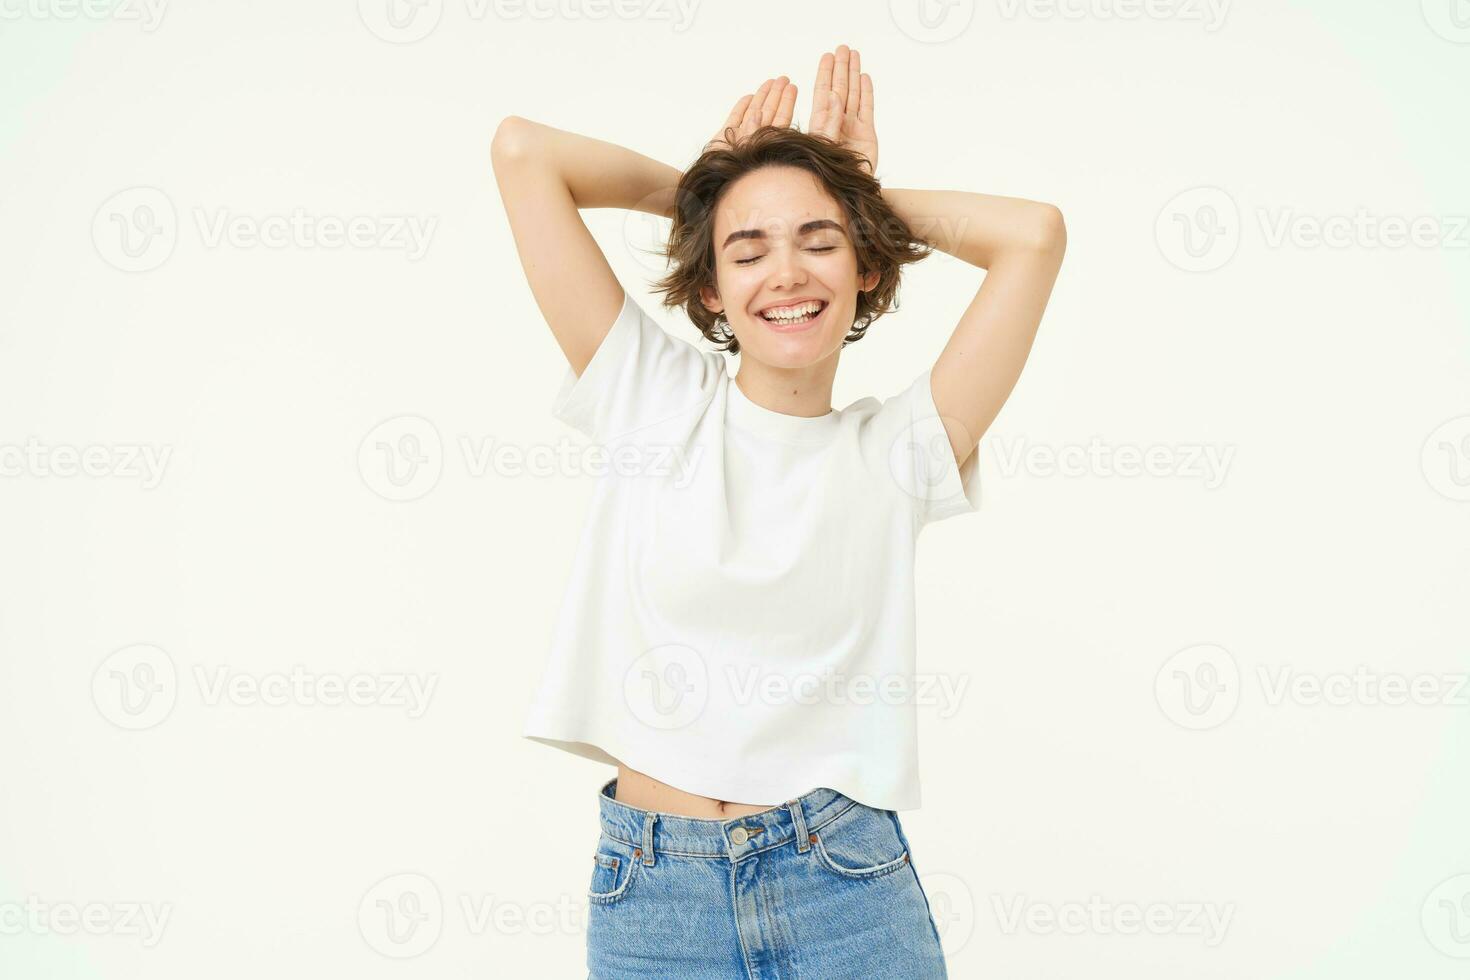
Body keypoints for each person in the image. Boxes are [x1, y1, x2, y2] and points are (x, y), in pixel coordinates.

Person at [491, 43, 1065, 979]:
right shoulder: (651, 399)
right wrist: (713, 190)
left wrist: (849, 195)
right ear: (712, 289)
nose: (787, 272)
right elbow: (523, 153)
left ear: (867, 269)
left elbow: (1033, 235)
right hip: (656, 895)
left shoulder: (903, 450)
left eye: (820, 242)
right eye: (748, 250)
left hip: (844, 886)